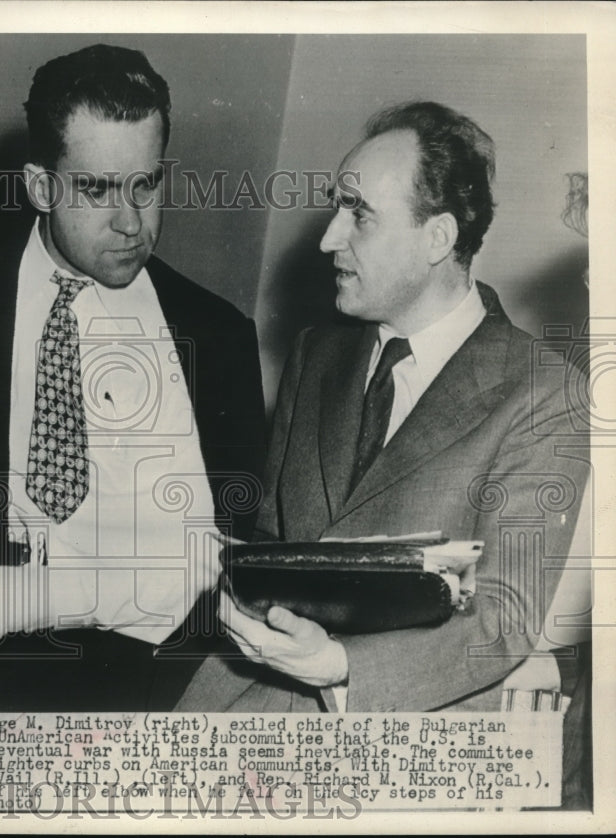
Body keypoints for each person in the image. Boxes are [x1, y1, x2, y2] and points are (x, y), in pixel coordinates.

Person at [178, 101, 590, 714]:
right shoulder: (317, 353)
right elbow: (271, 537)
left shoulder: (545, 393)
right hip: (238, 699)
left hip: (406, 727)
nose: (328, 239)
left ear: (437, 238)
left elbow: (504, 618)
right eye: (336, 208)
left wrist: (338, 665)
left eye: (360, 215)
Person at [0, 44, 266, 711]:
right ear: (41, 187)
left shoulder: (219, 336)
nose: (131, 223)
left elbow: (228, 556)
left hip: (157, 693)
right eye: (96, 189)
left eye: (146, 185)